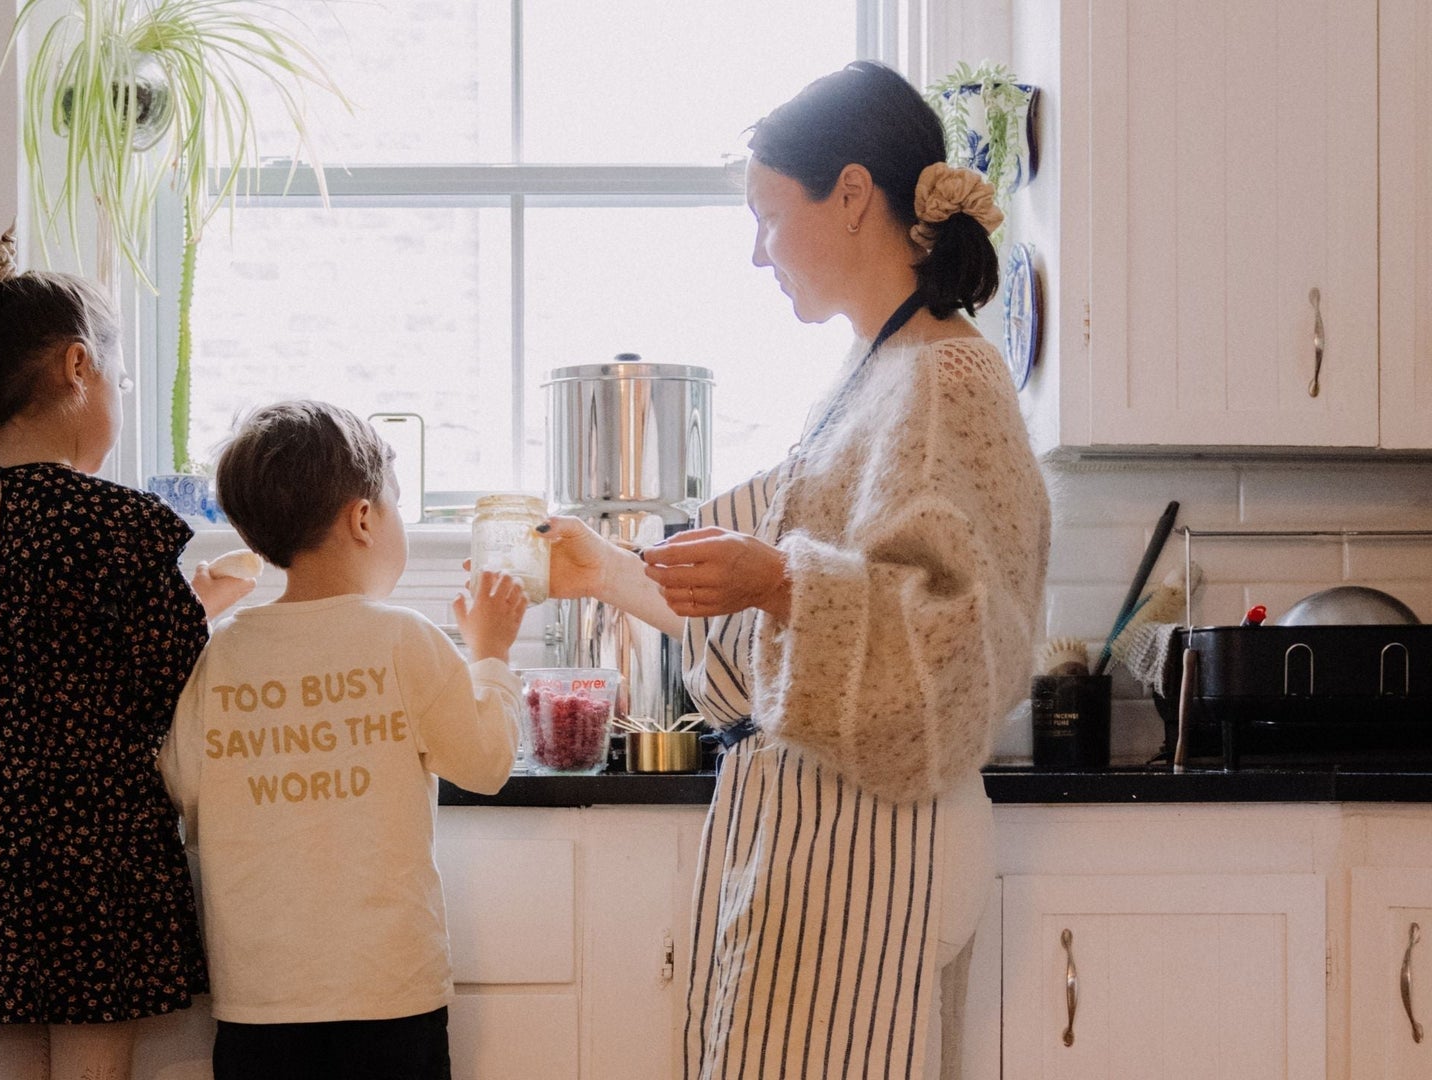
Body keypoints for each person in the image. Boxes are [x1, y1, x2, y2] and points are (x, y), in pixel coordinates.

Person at [539, 61, 1049, 1080]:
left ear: (852, 194)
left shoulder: (949, 382)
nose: (757, 254)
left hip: (878, 844)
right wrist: (597, 564)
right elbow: (737, 593)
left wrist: (777, 582)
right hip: (823, 833)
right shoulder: (869, 384)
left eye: (769, 217)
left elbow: (959, 647)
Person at [0, 227, 254, 1079]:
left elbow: (13, 659)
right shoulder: (115, 525)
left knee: (1, 1066)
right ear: (78, 368)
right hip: (94, 865)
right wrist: (202, 611)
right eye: (119, 379)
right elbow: (172, 681)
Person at [160, 400, 527, 1080]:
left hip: (258, 1001)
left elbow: (184, 793)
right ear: (363, 518)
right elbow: (484, 763)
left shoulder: (220, 656)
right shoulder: (403, 638)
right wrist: (492, 654)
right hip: (387, 994)